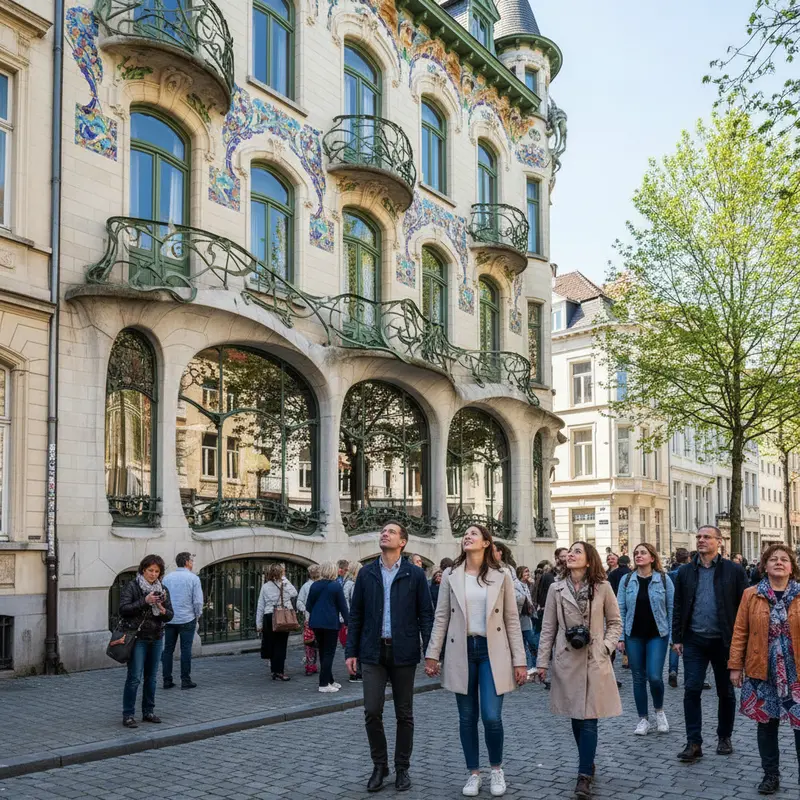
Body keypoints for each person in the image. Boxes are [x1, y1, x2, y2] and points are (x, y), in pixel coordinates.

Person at [425, 525, 527, 797]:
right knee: (467, 717)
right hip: (461, 650)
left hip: (493, 651)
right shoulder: (451, 575)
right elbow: (442, 617)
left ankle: (496, 769)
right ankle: (473, 773)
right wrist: (432, 653)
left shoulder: (501, 575)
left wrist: (520, 661)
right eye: (465, 534)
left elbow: (512, 621)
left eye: (473, 534)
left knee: (492, 716)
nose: (467, 537)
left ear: (485, 543)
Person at [345, 520, 434, 793]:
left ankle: (402, 768)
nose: (385, 534)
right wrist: (351, 651)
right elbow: (356, 615)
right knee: (372, 710)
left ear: (402, 542)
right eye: (383, 531)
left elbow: (426, 616)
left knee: (404, 714)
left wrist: (431, 652)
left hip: (403, 652)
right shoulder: (367, 573)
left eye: (391, 532)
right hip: (372, 651)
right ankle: (379, 765)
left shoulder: (414, 574)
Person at [535, 541, 622, 800]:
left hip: (595, 658)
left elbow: (615, 622)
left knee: (589, 717)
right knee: (576, 716)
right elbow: (548, 627)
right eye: (569, 552)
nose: (570, 555)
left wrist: (606, 646)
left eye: (577, 552)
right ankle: (588, 759)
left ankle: (583, 775)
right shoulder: (555, 588)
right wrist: (542, 662)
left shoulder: (603, 587)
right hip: (567, 658)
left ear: (588, 559)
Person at [672, 525, 747, 763]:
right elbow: (678, 605)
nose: (701, 540)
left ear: (719, 542)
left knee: (725, 691)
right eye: (699, 537)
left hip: (725, 640)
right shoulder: (685, 571)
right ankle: (694, 742)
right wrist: (677, 638)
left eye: (707, 537)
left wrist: (741, 644)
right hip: (694, 639)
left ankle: (724, 736)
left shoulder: (734, 571)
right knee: (692, 688)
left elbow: (745, 609)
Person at [729, 544, 800, 795]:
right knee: (767, 724)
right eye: (773, 559)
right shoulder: (751, 594)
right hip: (763, 670)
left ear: (792, 567)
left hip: (796, 673)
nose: (778, 562)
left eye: (784, 559)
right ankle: (771, 775)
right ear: (764, 566)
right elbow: (740, 631)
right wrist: (735, 666)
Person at [616, 543, 674, 735]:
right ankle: (643, 719)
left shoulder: (664, 579)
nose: (639, 556)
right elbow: (620, 610)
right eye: (636, 553)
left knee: (655, 677)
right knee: (638, 678)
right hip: (634, 635)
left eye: (643, 553)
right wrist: (620, 636)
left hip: (658, 634)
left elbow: (672, 609)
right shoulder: (627, 580)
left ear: (652, 557)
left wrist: (674, 637)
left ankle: (659, 711)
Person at [119, 554, 174, 728]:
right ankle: (128, 714)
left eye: (157, 571)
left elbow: (170, 615)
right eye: (150, 570)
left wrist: (162, 609)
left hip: (157, 637)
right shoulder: (133, 587)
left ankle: (148, 711)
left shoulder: (163, 589)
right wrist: (145, 601)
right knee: (134, 677)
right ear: (143, 570)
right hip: (138, 638)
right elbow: (123, 609)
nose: (153, 574)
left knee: (152, 678)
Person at [161, 551, 203, 690]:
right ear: (186, 562)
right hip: (187, 618)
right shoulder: (193, 578)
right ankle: (185, 680)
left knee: (168, 650)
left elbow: (163, 598)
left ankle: (167, 680)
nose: (192, 563)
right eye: (191, 561)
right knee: (186, 650)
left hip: (170, 618)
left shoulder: (167, 578)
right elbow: (197, 601)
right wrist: (197, 615)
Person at [307, 561, 349, 693]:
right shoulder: (335, 586)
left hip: (316, 623)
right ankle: (324, 683)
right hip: (330, 623)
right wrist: (349, 623)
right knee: (329, 653)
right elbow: (343, 607)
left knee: (323, 651)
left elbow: (309, 605)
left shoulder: (314, 585)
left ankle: (329, 679)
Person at [256, 563, 298, 681]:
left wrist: (258, 623)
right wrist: (284, 578)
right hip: (282, 616)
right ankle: (279, 671)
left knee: (272, 643)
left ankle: (274, 670)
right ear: (281, 573)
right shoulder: (285, 584)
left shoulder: (265, 586)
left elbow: (260, 605)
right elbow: (294, 593)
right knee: (281, 644)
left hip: (269, 615)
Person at [668, 548, 690, 688]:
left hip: (673, 610)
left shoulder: (670, 574)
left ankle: (673, 670)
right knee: (688, 642)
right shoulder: (690, 572)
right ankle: (689, 673)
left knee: (674, 641)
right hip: (687, 610)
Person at [296, 564, 321, 676]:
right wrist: (306, 609)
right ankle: (311, 665)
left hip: (311, 618)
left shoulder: (312, 585)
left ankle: (312, 664)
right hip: (311, 618)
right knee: (311, 642)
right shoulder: (307, 586)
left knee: (310, 643)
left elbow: (299, 602)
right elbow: (299, 602)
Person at [515, 565, 537, 675]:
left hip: (528, 617)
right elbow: (517, 599)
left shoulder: (529, 585)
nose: (527, 574)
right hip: (520, 617)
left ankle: (533, 666)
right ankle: (524, 667)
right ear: (520, 573)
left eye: (528, 572)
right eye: (525, 572)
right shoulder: (516, 585)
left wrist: (533, 585)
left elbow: (533, 597)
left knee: (531, 642)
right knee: (523, 644)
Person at [343, 561, 362, 682]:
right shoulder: (352, 584)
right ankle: (355, 672)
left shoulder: (347, 583)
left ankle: (356, 671)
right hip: (354, 620)